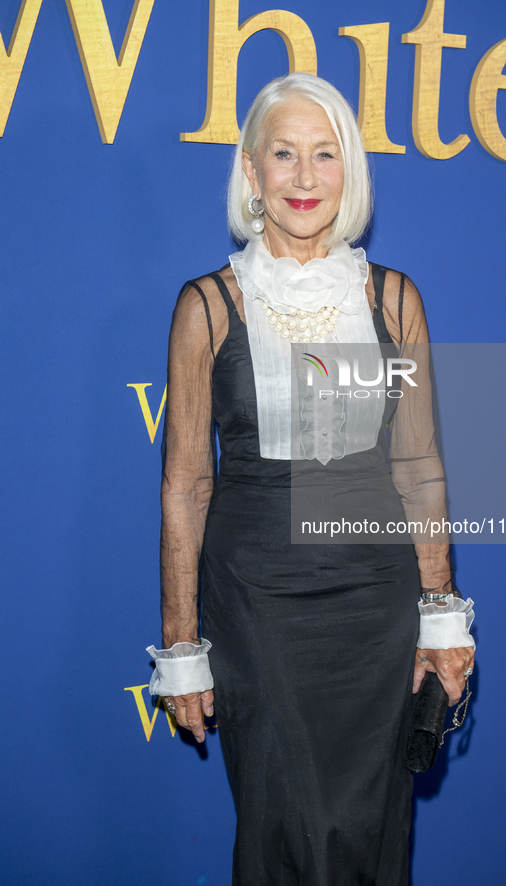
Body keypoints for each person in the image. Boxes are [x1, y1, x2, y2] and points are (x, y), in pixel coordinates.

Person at [146, 73, 475, 886]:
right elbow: (186, 484)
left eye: (324, 155)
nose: (303, 177)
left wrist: (439, 615)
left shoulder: (393, 300)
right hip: (259, 609)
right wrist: (182, 645)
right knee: (286, 822)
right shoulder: (208, 308)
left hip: (376, 605)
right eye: (283, 155)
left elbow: (417, 464)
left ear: (348, 171)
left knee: (372, 826)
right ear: (251, 173)